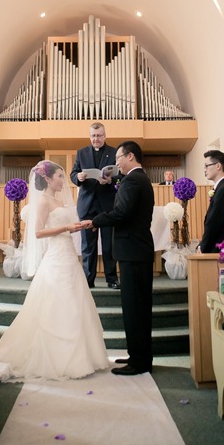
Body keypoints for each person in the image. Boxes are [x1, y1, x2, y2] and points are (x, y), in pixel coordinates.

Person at [0, 160, 109, 382]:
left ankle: (80, 356)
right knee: (60, 302)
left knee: (75, 302)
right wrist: (66, 227)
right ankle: (59, 357)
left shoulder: (58, 200)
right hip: (56, 256)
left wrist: (81, 225)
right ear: (47, 178)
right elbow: (38, 233)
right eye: (59, 177)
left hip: (69, 256)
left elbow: (66, 226)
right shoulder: (43, 201)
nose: (63, 181)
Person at [85, 141, 155, 376]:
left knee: (134, 308)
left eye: (118, 158)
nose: (116, 163)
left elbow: (121, 213)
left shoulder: (132, 181)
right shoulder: (139, 179)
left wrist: (96, 221)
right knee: (139, 307)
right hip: (137, 250)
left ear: (130, 156)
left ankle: (139, 361)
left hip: (132, 251)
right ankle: (140, 354)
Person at [70, 122, 120, 289]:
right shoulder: (81, 152)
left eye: (99, 135)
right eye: (93, 136)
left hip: (107, 206)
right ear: (89, 136)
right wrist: (78, 177)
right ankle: (88, 280)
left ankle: (112, 279)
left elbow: (120, 176)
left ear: (105, 136)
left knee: (108, 245)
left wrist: (110, 180)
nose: (96, 139)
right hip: (88, 205)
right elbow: (73, 173)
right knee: (88, 246)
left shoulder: (114, 152)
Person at [198, 150, 224, 253]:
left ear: (218, 166)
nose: (204, 170)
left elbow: (214, 223)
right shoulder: (222, 187)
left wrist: (202, 247)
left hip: (220, 248)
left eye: (206, 166)